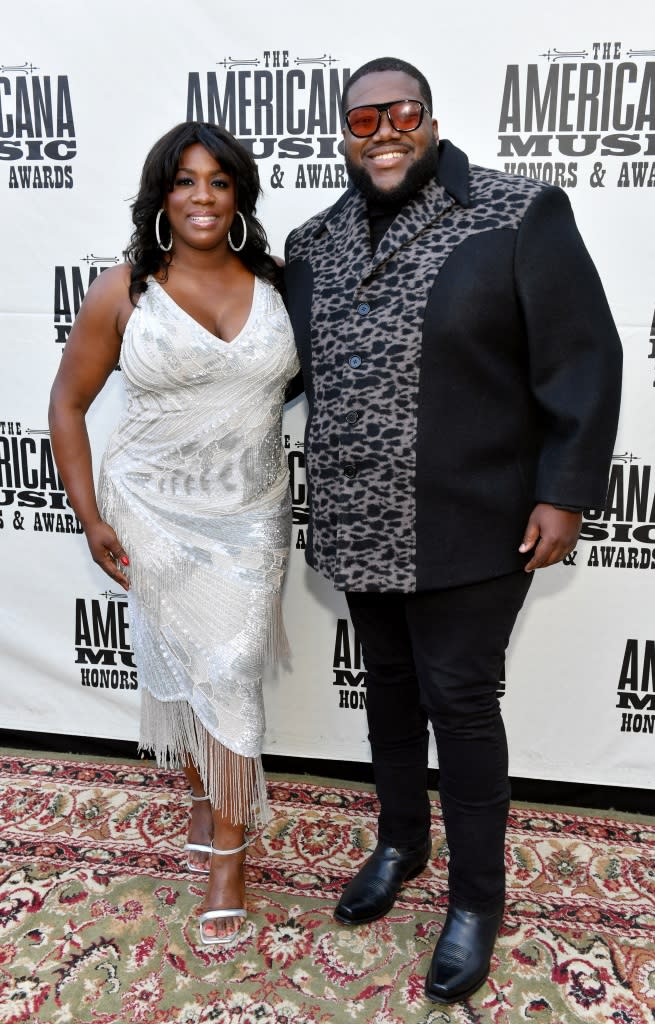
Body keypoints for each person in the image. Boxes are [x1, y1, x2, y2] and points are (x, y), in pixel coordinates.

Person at [284, 57, 621, 1003]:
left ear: (430, 119)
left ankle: (476, 897)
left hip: (475, 523)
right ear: (342, 132)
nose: (383, 130)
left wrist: (564, 492)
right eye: (362, 119)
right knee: (387, 690)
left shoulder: (519, 214)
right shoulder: (316, 241)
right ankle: (400, 842)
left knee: (460, 706)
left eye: (403, 113)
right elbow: (275, 364)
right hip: (357, 517)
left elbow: (583, 355)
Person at [49, 122, 299, 947]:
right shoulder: (124, 289)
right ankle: (209, 801)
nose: (201, 197)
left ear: (239, 197)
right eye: (185, 181)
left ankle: (225, 853)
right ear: (162, 195)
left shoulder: (281, 288)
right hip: (150, 511)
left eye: (218, 182)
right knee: (186, 664)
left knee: (227, 667)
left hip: (251, 513)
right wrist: (91, 516)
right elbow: (68, 404)